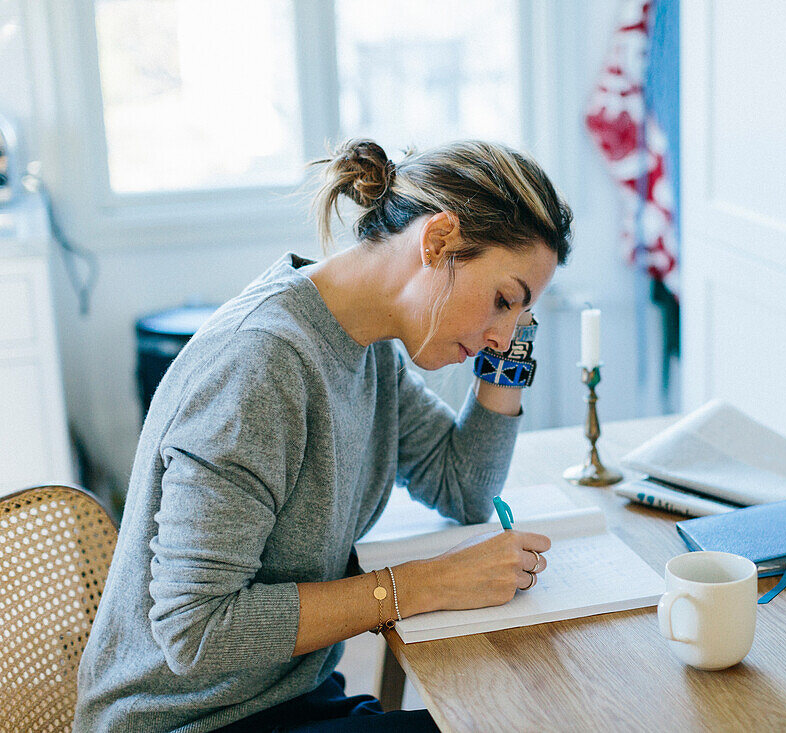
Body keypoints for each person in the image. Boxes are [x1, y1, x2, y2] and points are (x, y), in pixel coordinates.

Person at [73, 139, 573, 732]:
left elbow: (462, 485)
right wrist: (422, 584)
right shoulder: (259, 366)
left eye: (522, 319)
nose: (503, 335)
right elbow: (197, 630)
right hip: (186, 721)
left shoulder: (365, 344)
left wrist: (513, 347)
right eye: (502, 300)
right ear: (437, 242)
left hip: (282, 696)